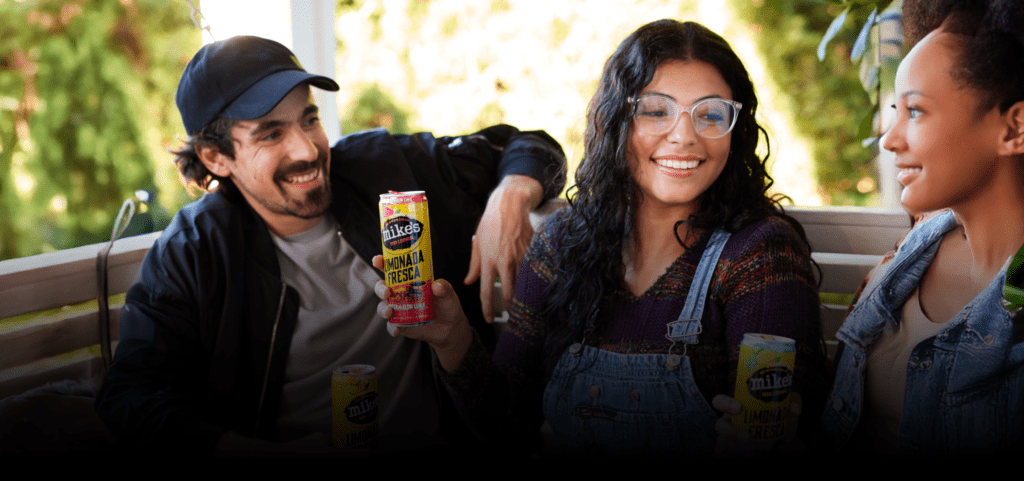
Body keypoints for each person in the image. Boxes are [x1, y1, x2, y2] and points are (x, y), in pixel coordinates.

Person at [93, 35, 566, 455]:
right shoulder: (194, 252)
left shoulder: (385, 169)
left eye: (309, 118)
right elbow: (132, 399)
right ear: (216, 157)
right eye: (271, 133)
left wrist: (510, 195)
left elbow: (530, 146)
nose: (307, 150)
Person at [375, 19, 827, 457]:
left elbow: (781, 421)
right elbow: (508, 426)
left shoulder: (760, 254)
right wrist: (451, 338)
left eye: (710, 114)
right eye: (656, 110)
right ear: (616, 121)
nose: (685, 136)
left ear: (736, 128)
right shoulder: (561, 245)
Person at [818, 0, 1024, 456]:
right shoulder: (909, 255)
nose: (890, 139)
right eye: (896, 109)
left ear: (1014, 128)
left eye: (915, 111)